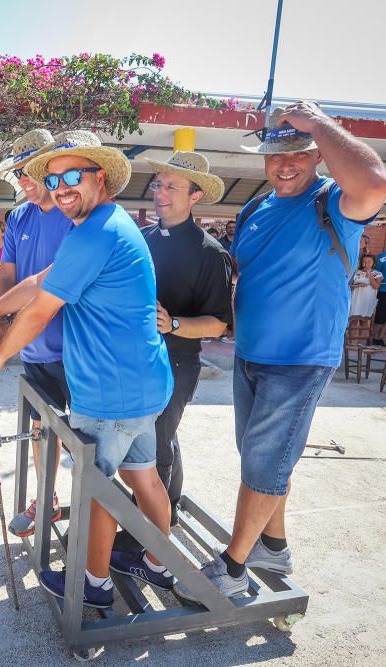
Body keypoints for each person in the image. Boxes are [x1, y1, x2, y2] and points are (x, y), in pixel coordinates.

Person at [172, 102, 386, 604]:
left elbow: (375, 185)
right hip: (251, 354)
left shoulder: (333, 200)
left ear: (317, 153)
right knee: (261, 459)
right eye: (275, 154)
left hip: (300, 358)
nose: (284, 164)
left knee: (265, 464)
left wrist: (318, 122)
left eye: (298, 151)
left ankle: (232, 568)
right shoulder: (256, 206)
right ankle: (273, 545)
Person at [0, 130, 174, 609]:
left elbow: (43, 308)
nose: (62, 186)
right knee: (144, 475)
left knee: (95, 488)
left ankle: (94, 584)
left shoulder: (96, 231)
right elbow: (39, 280)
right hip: (143, 381)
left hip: (109, 390)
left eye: (73, 175)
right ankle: (158, 563)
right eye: (54, 177)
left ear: (100, 176)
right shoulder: (100, 224)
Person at [0, 128, 74, 540]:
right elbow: (8, 276)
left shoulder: (73, 214)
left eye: (30, 173)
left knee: (85, 435)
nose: (25, 183)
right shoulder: (18, 217)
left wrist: (3, 320)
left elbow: (47, 287)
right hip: (33, 348)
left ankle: (96, 509)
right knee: (38, 428)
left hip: (75, 344)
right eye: (19, 175)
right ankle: (46, 498)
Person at [137, 152, 233, 527]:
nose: (161, 192)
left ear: (195, 196)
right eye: (158, 184)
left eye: (172, 186)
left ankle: (152, 535)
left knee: (158, 442)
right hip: (134, 358)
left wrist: (172, 323)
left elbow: (217, 325)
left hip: (176, 361)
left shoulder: (210, 253)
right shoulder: (140, 238)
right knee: (148, 438)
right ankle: (167, 509)